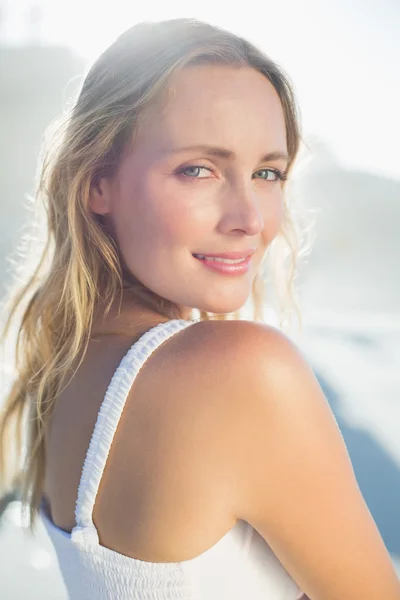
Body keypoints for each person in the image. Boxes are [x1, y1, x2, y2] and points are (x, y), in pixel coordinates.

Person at [0, 17, 399, 600]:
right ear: (97, 183)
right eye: (199, 169)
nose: (251, 219)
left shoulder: (61, 367)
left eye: (268, 172)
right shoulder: (238, 370)